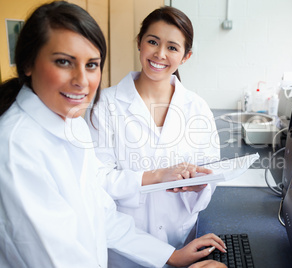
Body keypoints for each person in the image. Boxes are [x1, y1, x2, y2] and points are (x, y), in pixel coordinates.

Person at [0, 2, 227, 267]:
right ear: (28, 62)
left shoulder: (71, 125)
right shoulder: (16, 148)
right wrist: (153, 177)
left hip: (164, 241)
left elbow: (101, 214)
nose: (81, 81)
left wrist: (170, 256)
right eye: (64, 62)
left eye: (92, 64)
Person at [85, 6, 221, 267]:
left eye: (172, 47)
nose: (160, 54)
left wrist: (198, 185)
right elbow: (96, 179)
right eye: (152, 42)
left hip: (182, 240)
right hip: (124, 253)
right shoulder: (104, 105)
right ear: (139, 43)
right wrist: (155, 177)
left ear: (186, 56)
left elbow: (211, 171)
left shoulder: (197, 107)